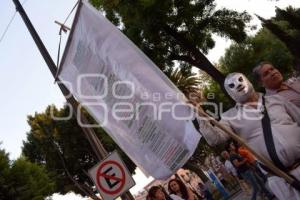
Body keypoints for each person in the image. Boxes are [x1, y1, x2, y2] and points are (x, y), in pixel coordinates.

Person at [192, 72, 300, 200]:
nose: (238, 85)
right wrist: (199, 113)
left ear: (249, 81)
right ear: (230, 94)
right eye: (231, 85)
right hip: (282, 180)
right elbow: (214, 139)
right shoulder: (230, 117)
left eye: (240, 80)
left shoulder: (276, 100)